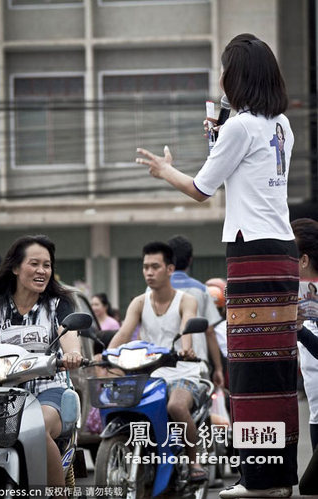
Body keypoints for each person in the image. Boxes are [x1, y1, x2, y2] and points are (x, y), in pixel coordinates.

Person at [136, 33, 298, 498]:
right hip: (281, 252)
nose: (220, 76)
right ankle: (276, 478)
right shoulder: (280, 124)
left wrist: (166, 171)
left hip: (252, 255)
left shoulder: (240, 126)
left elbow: (203, 188)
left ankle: (258, 481)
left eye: (224, 68)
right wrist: (218, 134)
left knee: (248, 370)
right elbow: (242, 172)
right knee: (276, 367)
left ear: (237, 75)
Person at [0, 235, 83, 490]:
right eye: (34, 264)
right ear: (16, 268)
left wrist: (71, 354)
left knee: (35, 427)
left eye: (47, 265)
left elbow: (69, 333)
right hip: (1, 393)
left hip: (49, 390)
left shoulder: (58, 303)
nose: (42, 271)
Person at [108, 241, 207, 482]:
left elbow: (187, 329)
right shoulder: (139, 302)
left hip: (183, 371)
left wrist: (186, 350)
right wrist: (106, 354)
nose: (149, 273)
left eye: (155, 267)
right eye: (145, 267)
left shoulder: (186, 300)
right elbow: (124, 333)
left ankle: (194, 461)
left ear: (170, 269)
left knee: (176, 407)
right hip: (150, 374)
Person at [167, 235, 224, 386]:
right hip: (196, 362)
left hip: (162, 364)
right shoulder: (201, 289)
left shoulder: (152, 289)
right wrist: (218, 368)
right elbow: (210, 331)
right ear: (190, 260)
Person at [291, 218, 318, 495]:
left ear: (303, 259)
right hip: (316, 410)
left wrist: (299, 330)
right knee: (310, 487)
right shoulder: (295, 295)